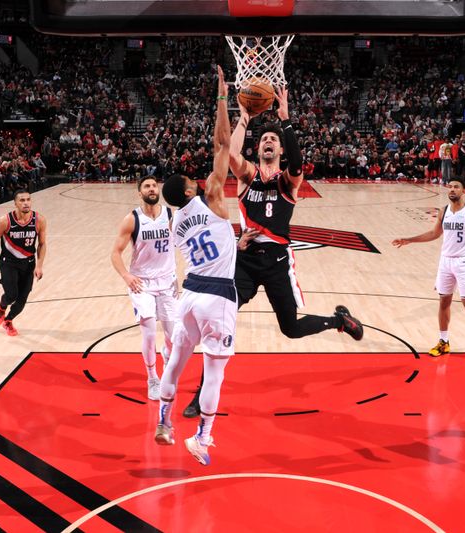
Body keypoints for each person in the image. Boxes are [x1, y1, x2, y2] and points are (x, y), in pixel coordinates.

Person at [180, 77, 364, 418]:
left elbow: (297, 160)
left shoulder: (288, 182)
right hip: (245, 262)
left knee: (291, 329)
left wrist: (285, 119)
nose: (268, 142)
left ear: (278, 151)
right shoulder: (248, 177)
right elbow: (230, 153)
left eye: (273, 140)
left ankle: (338, 321)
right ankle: (200, 395)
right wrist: (245, 117)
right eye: (264, 139)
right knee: (220, 325)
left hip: (278, 262)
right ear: (258, 148)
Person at [155, 66, 234, 466]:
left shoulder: (176, 219)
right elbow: (223, 144)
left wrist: (236, 240)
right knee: (215, 373)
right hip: (218, 295)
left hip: (189, 293)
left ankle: (164, 422)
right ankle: (202, 437)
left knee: (174, 362)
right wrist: (223, 98)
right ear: (189, 190)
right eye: (191, 180)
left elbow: (211, 240)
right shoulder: (213, 196)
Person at [392, 177, 465, 363]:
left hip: (464, 262)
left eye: (456, 187)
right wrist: (409, 239)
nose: (452, 189)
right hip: (445, 261)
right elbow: (434, 233)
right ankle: (444, 341)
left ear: (464, 190)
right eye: (450, 187)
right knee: (444, 302)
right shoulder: (444, 211)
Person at [111, 176, 176, 400]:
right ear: (140, 193)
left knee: (172, 337)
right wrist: (126, 275)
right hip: (142, 283)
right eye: (146, 186)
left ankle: (167, 355)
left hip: (167, 282)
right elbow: (115, 253)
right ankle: (152, 378)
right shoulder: (132, 219)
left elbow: (185, 241)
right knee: (149, 333)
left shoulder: (170, 215)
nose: (151, 189)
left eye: (154, 186)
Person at [0, 190, 47, 336]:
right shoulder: (5, 221)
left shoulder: (39, 220)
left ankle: (8, 320)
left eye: (28, 199)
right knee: (11, 295)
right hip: (9, 263)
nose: (26, 203)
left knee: (22, 299)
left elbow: (42, 244)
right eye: (22, 200)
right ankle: (2, 306)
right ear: (15, 203)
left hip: (28, 263)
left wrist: (39, 266)